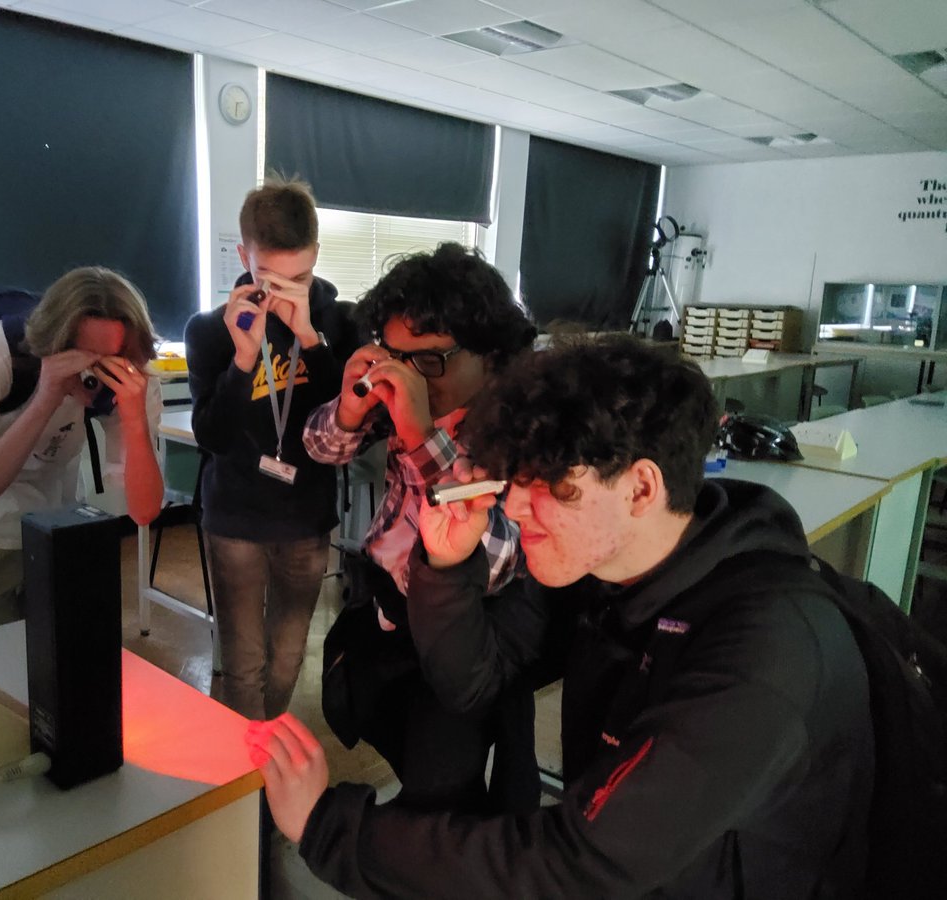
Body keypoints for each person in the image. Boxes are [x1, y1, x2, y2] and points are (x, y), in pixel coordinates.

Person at [251, 333, 875, 898]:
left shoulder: (763, 652)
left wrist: (329, 829)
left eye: (550, 484)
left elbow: (573, 864)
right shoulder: (601, 573)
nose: (514, 506)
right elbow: (472, 683)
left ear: (640, 488)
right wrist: (446, 566)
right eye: (515, 477)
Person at [303, 242, 539, 812]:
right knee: (391, 731)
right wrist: (349, 409)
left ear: (491, 353)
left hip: (465, 629)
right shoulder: (405, 398)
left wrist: (417, 435)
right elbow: (319, 447)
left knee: (444, 785)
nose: (408, 377)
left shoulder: (520, 427)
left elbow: (501, 555)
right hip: (389, 612)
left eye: (429, 360)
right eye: (394, 355)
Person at [184, 176, 360, 720]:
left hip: (305, 519)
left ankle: (257, 752)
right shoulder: (209, 330)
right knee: (242, 663)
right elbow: (211, 436)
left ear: (317, 258)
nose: (283, 295)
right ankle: (245, 784)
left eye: (300, 278)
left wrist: (310, 339)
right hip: (235, 517)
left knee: (286, 660)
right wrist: (243, 358)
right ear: (243, 257)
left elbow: (346, 424)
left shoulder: (339, 322)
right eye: (269, 278)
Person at [0, 266, 165, 638]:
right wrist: (46, 397)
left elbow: (143, 510)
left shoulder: (135, 376)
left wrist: (133, 421)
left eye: (110, 359)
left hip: (52, 528)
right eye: (83, 356)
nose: (94, 375)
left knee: (54, 666)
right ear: (52, 343)